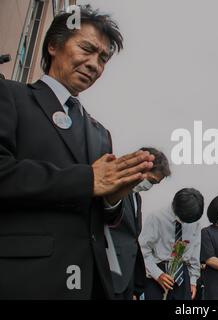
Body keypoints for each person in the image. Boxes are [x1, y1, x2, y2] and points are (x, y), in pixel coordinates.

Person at [0, 6, 155, 299]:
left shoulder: (100, 132)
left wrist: (112, 199)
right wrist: (87, 180)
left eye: (103, 58)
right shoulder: (10, 96)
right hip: (23, 278)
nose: (94, 64)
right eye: (87, 48)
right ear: (53, 45)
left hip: (91, 282)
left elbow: (102, 217)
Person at [109, 147, 171, 300]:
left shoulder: (136, 198)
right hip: (111, 274)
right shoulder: (114, 191)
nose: (149, 187)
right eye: (151, 181)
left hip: (128, 279)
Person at [140, 188, 204, 300]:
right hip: (158, 272)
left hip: (182, 274)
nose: (186, 223)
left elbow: (195, 253)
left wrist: (193, 281)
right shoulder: (156, 218)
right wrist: (157, 274)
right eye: (184, 220)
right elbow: (143, 251)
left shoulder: (194, 221)